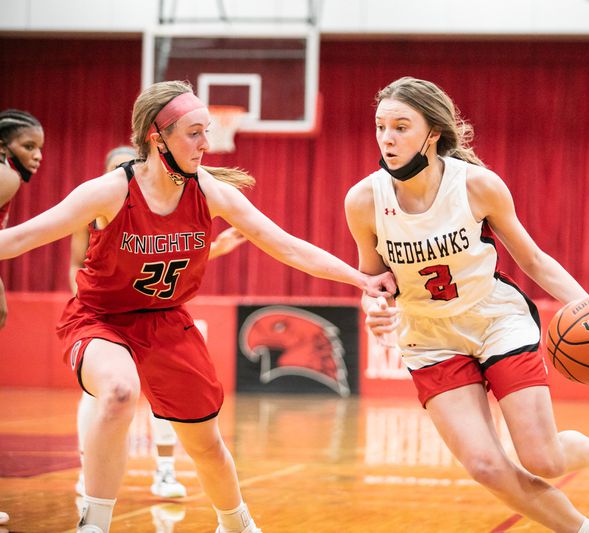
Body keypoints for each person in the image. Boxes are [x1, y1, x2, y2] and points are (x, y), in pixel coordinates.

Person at [0, 80, 396, 533]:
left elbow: (287, 247)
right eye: (194, 132)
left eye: (207, 131)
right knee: (118, 391)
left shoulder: (208, 192)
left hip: (167, 323)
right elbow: (21, 238)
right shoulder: (110, 191)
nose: (207, 143)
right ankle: (95, 524)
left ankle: (237, 524)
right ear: (157, 136)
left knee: (206, 444)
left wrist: (361, 277)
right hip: (100, 319)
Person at [345, 76, 589, 533]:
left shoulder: (477, 186)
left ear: (433, 134)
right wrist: (375, 308)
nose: (387, 137)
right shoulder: (364, 200)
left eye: (401, 126)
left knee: (543, 458)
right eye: (381, 125)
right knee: (485, 466)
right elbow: (375, 280)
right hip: (428, 338)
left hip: (495, 320)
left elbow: (534, 260)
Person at [71, 146, 247, 502]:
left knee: (169, 403)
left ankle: (165, 470)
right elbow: (78, 266)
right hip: (107, 317)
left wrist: (215, 248)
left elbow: (162, 257)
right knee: (105, 394)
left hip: (158, 314)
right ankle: (88, 472)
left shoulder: (160, 205)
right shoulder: (90, 209)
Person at [0, 109, 44, 330]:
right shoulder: (7, 176)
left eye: (39, 148)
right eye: (29, 146)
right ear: (2, 146)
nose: (38, 155)